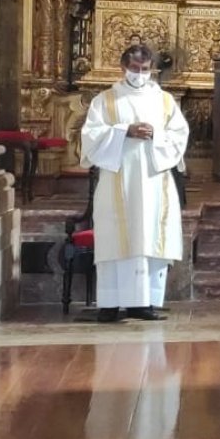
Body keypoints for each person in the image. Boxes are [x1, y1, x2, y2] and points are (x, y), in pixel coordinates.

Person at [80, 44, 189, 323]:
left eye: (145, 69)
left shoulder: (164, 100)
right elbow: (91, 136)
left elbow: (179, 134)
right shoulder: (105, 100)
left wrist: (157, 135)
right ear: (123, 68)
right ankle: (110, 304)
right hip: (118, 180)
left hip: (154, 181)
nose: (140, 74)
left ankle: (144, 303)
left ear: (152, 68)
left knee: (149, 237)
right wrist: (124, 131)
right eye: (134, 69)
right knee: (115, 238)